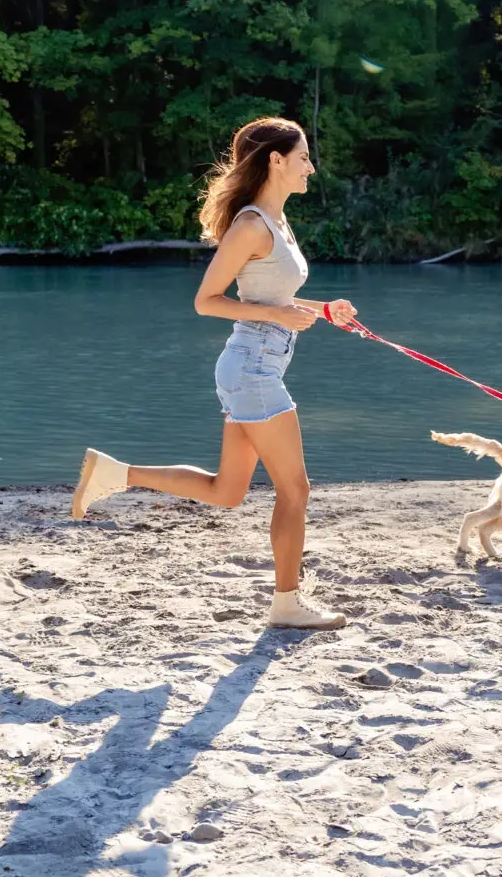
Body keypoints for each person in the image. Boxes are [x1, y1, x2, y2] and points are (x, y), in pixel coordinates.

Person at [70, 116, 358, 629]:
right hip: (253, 370)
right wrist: (277, 315)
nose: (310, 168)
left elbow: (274, 297)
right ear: (276, 160)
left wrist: (322, 310)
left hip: (256, 367)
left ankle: (115, 474)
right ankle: (287, 604)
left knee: (227, 491)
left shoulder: (277, 222)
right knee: (296, 491)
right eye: (303, 157)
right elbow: (207, 302)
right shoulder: (250, 225)